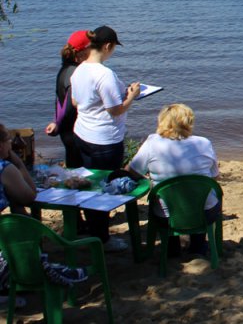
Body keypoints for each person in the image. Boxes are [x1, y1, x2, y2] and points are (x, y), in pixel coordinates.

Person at [0, 124, 89, 302]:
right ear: (1, 146)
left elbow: (18, 202)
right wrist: (18, 163)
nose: (10, 145)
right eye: (8, 141)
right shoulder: (4, 168)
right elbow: (30, 195)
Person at [71, 25, 140, 251]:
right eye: (113, 49)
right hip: (105, 140)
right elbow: (115, 110)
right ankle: (102, 238)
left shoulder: (79, 70)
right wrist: (132, 97)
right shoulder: (104, 74)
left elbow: (75, 102)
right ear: (108, 46)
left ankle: (93, 230)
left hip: (82, 134)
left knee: (90, 183)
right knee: (104, 188)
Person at [125, 104, 220, 257]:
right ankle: (198, 247)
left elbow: (132, 171)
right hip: (204, 213)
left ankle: (172, 249)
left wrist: (152, 179)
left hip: (167, 216)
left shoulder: (152, 143)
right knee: (204, 200)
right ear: (188, 122)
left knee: (165, 206)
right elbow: (214, 177)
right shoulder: (204, 143)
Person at [45, 30, 91, 168]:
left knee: (73, 168)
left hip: (67, 131)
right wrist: (58, 124)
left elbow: (59, 100)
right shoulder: (76, 73)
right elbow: (69, 105)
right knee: (81, 173)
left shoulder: (64, 69)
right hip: (74, 131)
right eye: (92, 48)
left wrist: (56, 121)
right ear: (83, 52)